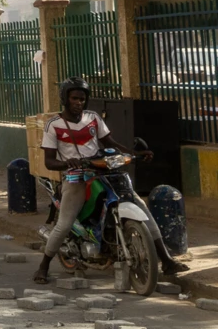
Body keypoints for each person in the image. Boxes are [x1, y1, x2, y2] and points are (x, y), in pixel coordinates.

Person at [33, 77, 187, 283]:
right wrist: (69, 163)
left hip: (103, 171)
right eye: (74, 98)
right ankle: (43, 266)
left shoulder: (93, 118)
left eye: (82, 98)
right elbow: (50, 162)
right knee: (64, 224)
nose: (79, 102)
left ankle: (167, 260)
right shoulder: (54, 124)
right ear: (65, 99)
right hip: (76, 177)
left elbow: (110, 142)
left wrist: (135, 153)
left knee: (143, 209)